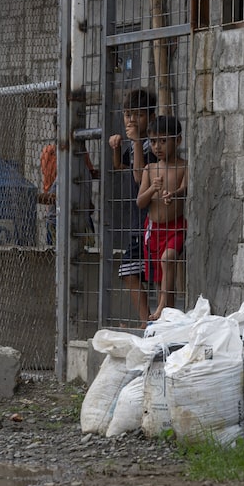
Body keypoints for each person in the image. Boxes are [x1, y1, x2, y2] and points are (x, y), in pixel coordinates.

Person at [108, 89, 157, 323]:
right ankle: (147, 321)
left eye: (138, 115)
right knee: (131, 271)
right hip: (139, 222)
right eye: (128, 114)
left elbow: (139, 177)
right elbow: (122, 167)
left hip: (152, 220)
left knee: (134, 270)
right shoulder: (138, 144)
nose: (131, 120)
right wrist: (117, 148)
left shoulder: (152, 146)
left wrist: (136, 141)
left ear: (150, 118)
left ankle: (148, 322)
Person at [137, 115, 187, 322]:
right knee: (159, 277)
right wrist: (152, 189)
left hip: (175, 226)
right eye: (153, 142)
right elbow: (140, 201)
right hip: (154, 229)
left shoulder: (184, 166)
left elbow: (185, 189)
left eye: (163, 141)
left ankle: (160, 309)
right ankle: (168, 315)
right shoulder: (150, 169)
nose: (157, 147)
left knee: (168, 259)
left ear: (178, 141)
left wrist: (173, 194)